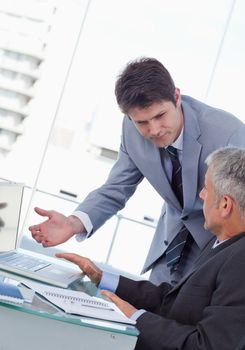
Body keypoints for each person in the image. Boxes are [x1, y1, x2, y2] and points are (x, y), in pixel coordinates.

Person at [29, 57, 245, 285]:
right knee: (148, 314)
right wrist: (72, 223)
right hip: (170, 250)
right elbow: (116, 188)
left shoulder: (230, 136)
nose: (154, 130)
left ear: (177, 97)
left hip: (220, 249)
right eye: (142, 122)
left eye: (160, 116)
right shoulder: (131, 130)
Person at [56, 146, 245, 350]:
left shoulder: (240, 261)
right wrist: (103, 278)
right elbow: (172, 300)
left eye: (206, 188)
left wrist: (136, 317)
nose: (201, 195)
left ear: (225, 205)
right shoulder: (222, 242)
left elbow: (208, 346)